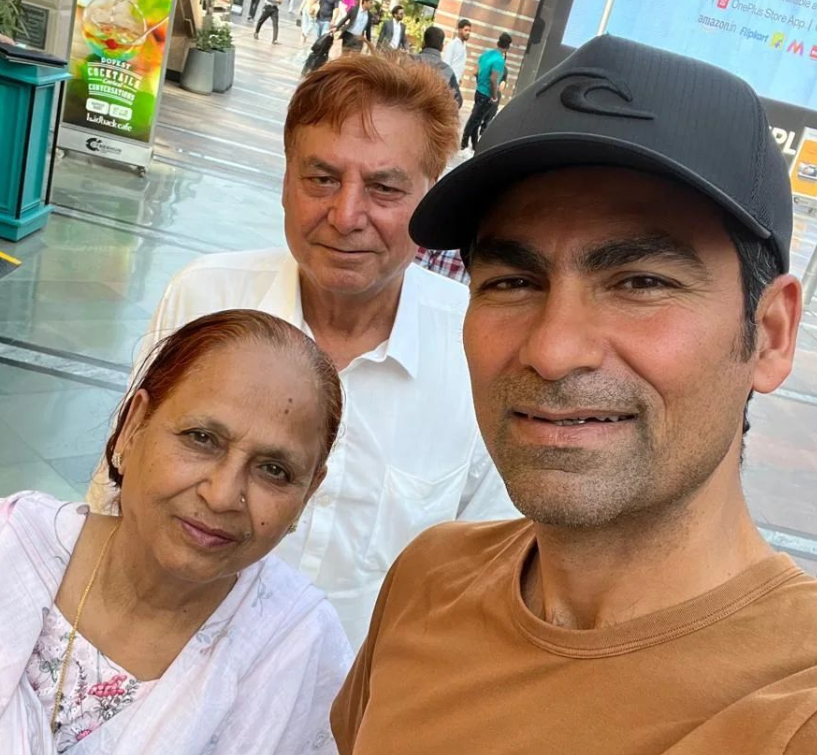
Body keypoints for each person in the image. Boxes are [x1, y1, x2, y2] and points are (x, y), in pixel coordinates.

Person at [331, 35, 817, 753]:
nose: (553, 350)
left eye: (640, 282)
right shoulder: (428, 580)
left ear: (770, 335)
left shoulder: (788, 704)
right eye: (512, 281)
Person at [87, 55, 517, 649]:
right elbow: (118, 485)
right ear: (285, 180)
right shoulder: (206, 297)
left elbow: (483, 575)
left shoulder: (481, 348)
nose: (346, 216)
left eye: (385, 188)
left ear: (430, 197)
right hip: (166, 661)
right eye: (321, 179)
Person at [1, 310, 351, 754]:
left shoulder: (296, 650)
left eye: (274, 470)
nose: (223, 495)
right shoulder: (12, 546)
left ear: (307, 492)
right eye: (201, 438)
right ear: (133, 426)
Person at [460, 31, 511, 153]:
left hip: (479, 91)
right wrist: (494, 96)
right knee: (475, 119)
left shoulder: (486, 54)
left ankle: (474, 143)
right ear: (507, 47)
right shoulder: (499, 60)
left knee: (477, 118)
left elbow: (476, 72)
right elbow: (494, 79)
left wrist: (480, 83)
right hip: (487, 94)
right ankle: (464, 141)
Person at [415, 26, 462, 109]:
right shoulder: (448, 71)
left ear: (423, 43)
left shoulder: (406, 61)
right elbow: (458, 102)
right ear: (442, 47)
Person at [478, 54, 507, 136]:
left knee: (491, 113)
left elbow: (504, 80)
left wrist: (503, 83)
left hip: (496, 94)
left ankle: (483, 132)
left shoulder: (504, 70)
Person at [441, 18, 470, 83]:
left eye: (469, 31)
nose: (468, 33)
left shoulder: (464, 46)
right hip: (449, 83)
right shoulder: (452, 45)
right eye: (466, 30)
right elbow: (446, 65)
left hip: (456, 83)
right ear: (459, 30)